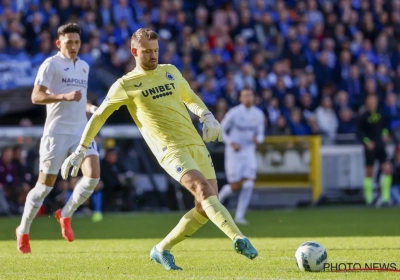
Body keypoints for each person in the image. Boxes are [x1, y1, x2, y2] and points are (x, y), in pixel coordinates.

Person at [61, 28, 258, 270]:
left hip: (196, 144)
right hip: (171, 151)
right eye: (147, 52)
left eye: (156, 50)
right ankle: (238, 238)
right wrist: (81, 149)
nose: (153, 55)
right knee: (202, 190)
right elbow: (99, 117)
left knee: (205, 208)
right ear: (134, 51)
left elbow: (190, 97)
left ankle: (161, 249)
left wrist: (207, 116)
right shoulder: (125, 84)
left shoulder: (170, 72)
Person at [16, 23, 101, 254]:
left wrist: (92, 107)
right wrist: (63, 96)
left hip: (80, 131)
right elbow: (36, 96)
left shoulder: (83, 66)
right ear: (59, 43)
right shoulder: (50, 65)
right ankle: (23, 229)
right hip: (56, 133)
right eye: (69, 42)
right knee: (44, 188)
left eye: (77, 42)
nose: (73, 46)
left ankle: (65, 214)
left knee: (93, 176)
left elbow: (79, 100)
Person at [218, 89, 265, 225]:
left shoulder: (259, 114)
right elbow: (221, 130)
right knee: (234, 186)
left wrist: (258, 140)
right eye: (245, 96)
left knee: (249, 183)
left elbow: (261, 134)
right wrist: (231, 143)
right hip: (234, 153)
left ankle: (239, 216)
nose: (248, 98)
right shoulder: (234, 113)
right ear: (240, 98)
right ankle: (214, 206)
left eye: (250, 95)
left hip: (249, 152)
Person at [357, 94, 392, 206]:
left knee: (387, 169)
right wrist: (367, 142)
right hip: (370, 148)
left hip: (381, 146)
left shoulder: (381, 114)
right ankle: (369, 199)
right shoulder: (363, 117)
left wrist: (386, 134)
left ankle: (386, 198)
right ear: (367, 102)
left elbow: (386, 127)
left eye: (374, 100)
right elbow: (359, 133)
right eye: (370, 100)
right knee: (369, 172)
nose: (372, 103)